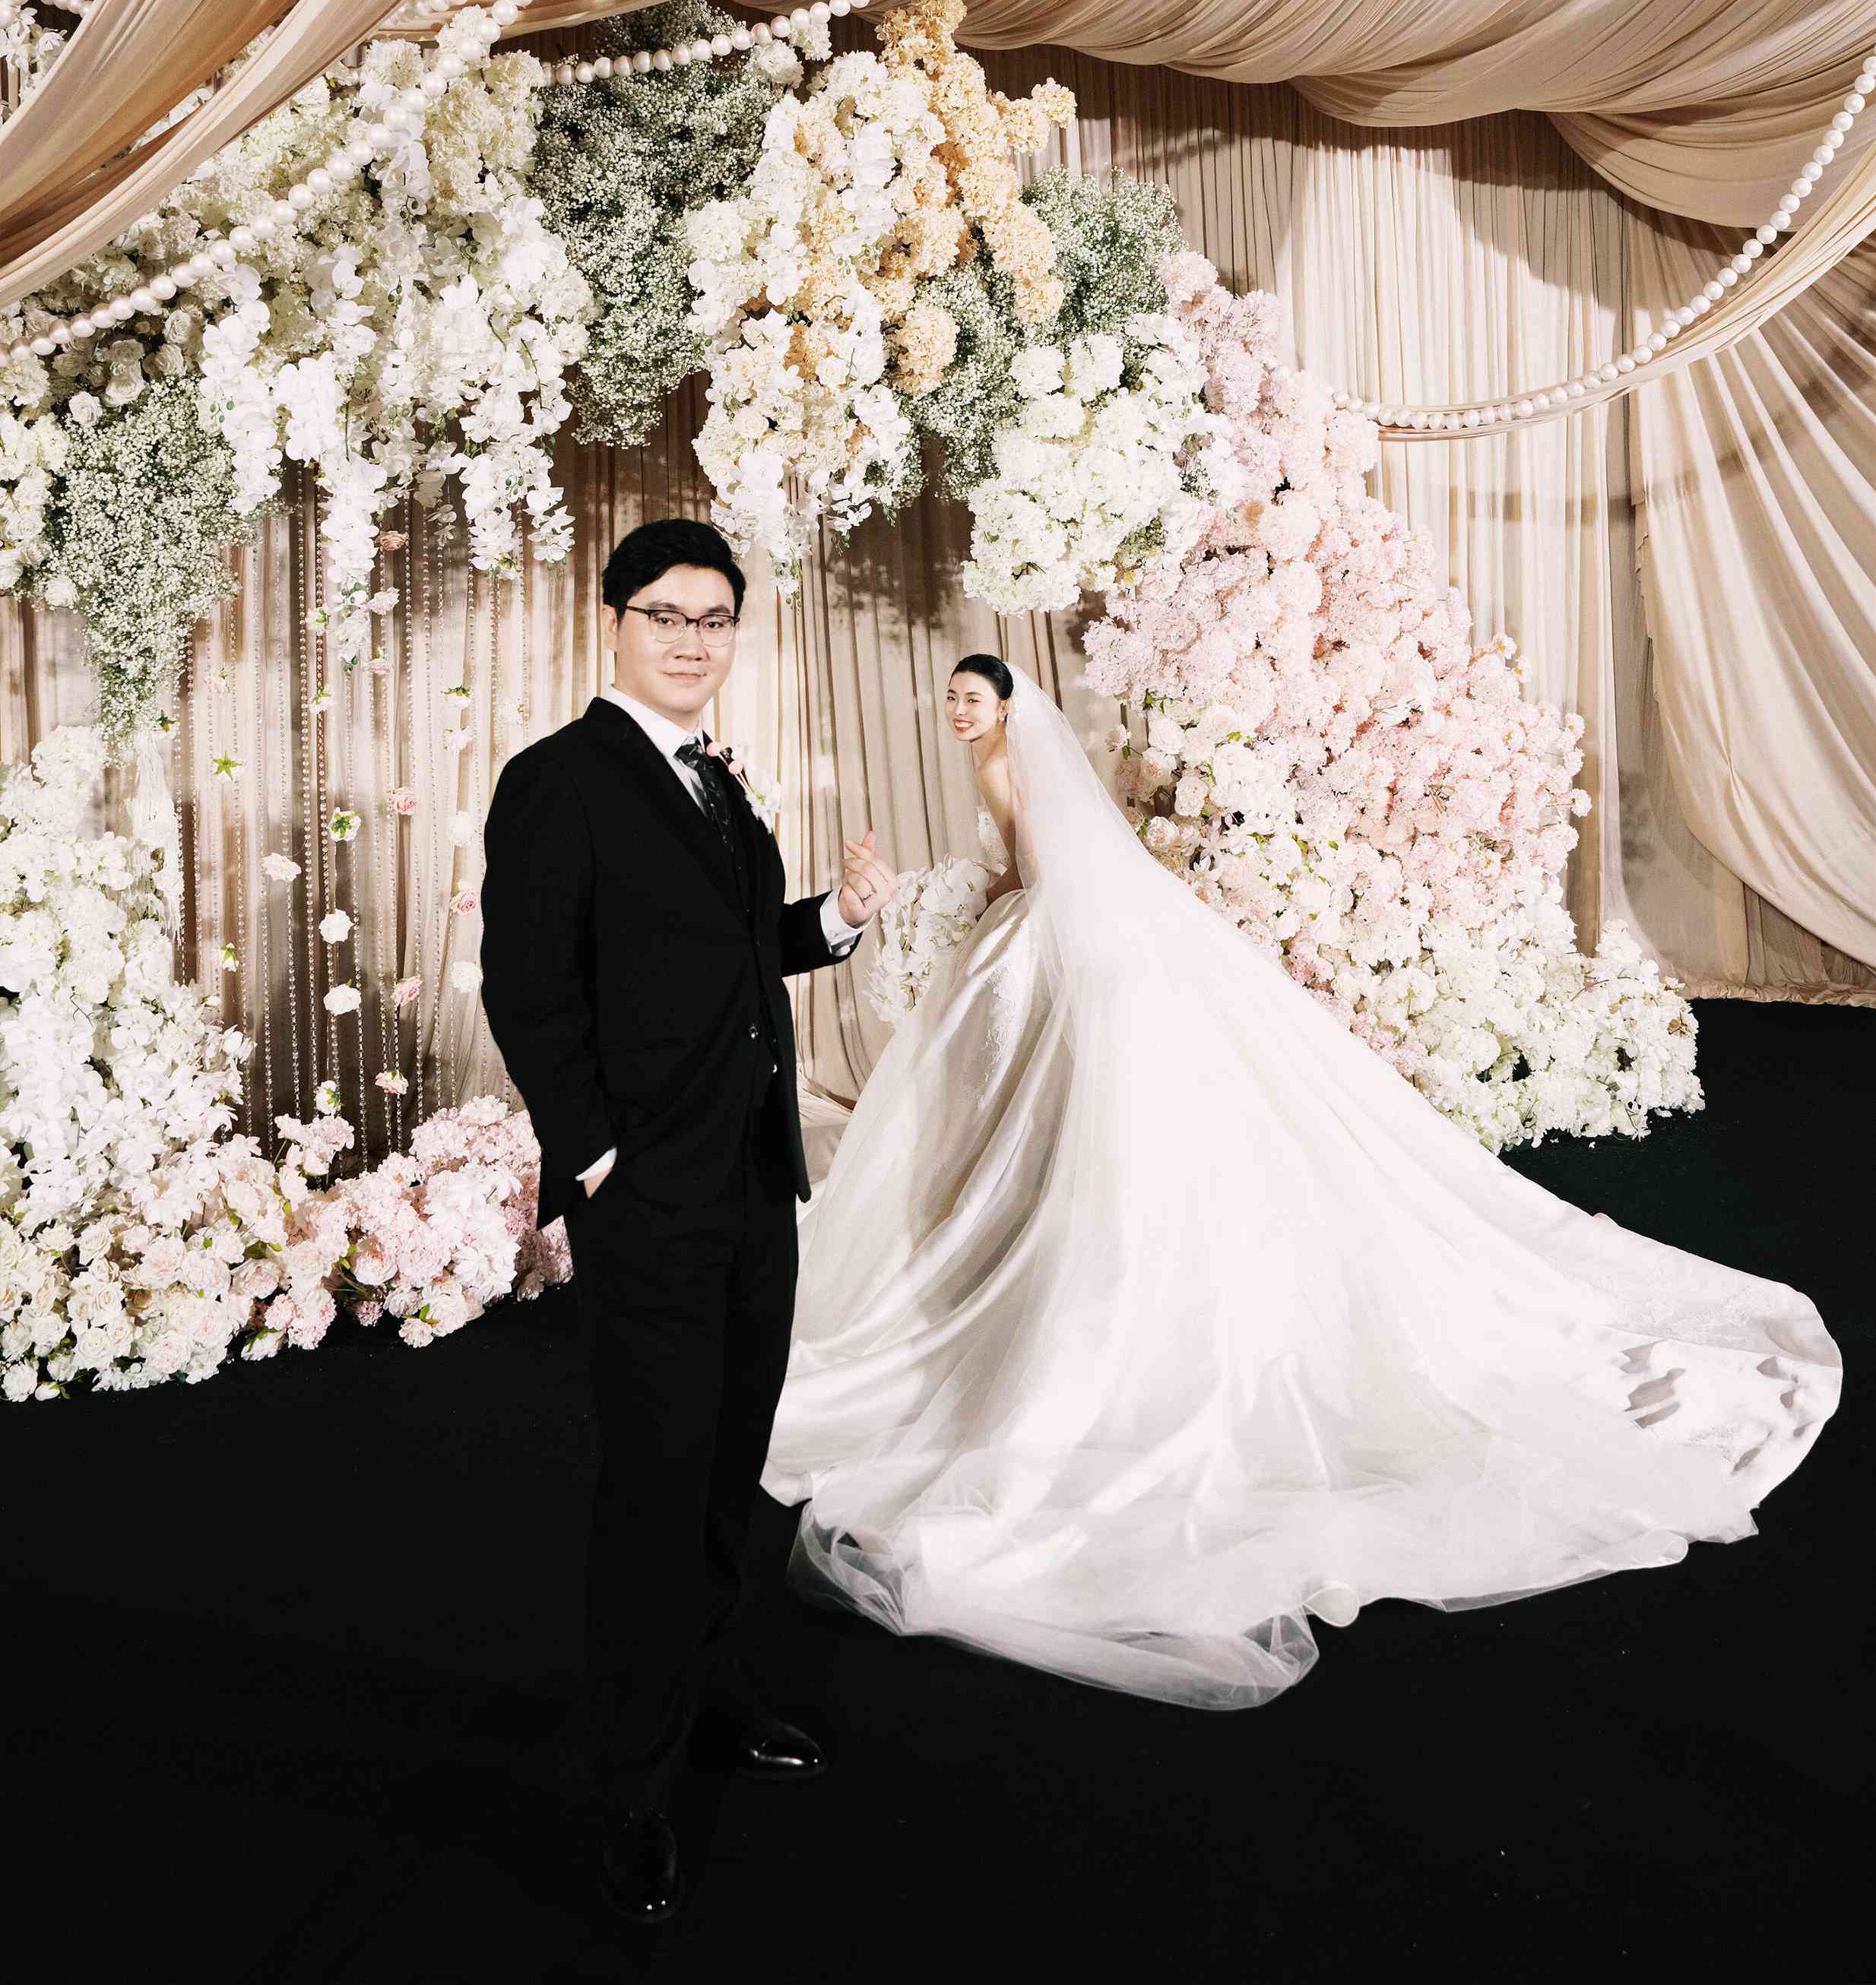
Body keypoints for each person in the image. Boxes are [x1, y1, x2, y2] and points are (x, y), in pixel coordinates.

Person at [762, 654, 1841, 1711]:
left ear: (1006, 708)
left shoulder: (1004, 766)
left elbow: (1041, 870)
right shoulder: (1006, 760)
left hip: (1050, 936)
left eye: (973, 699)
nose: (959, 713)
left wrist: (982, 908)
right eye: (953, 700)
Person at [480, 518, 897, 1928]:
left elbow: (732, 954)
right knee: (653, 1493)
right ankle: (630, 1791)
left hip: (755, 1184)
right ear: (612, 621)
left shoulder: (716, 781)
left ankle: (710, 1694)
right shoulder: (559, 781)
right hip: (651, 1194)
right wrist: (595, 1158)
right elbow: (528, 987)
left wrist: (832, 919)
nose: (691, 640)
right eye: (665, 613)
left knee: (729, 1473)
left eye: (714, 619)